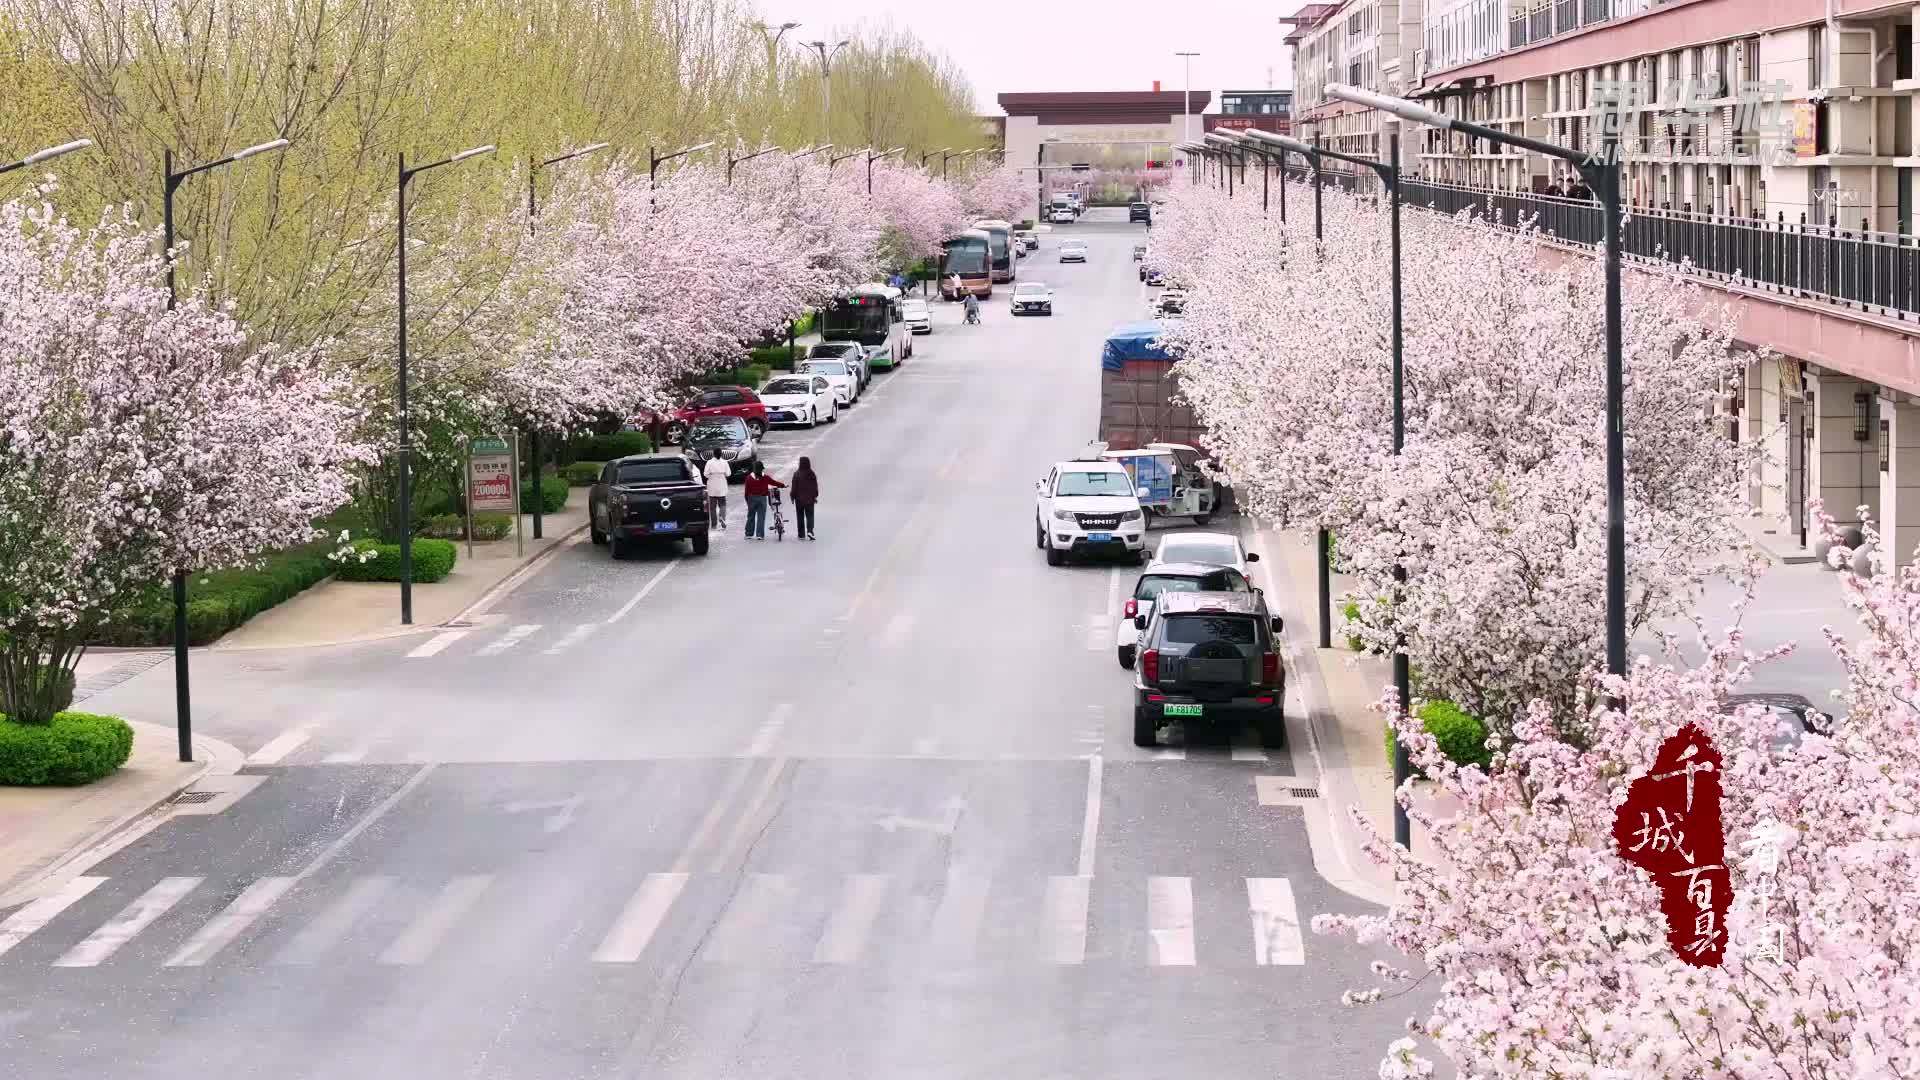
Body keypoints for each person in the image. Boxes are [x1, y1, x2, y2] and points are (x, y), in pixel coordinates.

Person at [741, 460, 785, 540]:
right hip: (762, 499)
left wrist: (747, 501)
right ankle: (760, 535)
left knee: (750, 516)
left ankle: (748, 534)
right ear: (762, 469)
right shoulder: (765, 477)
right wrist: (783, 485)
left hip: (751, 498)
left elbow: (746, 492)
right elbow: (774, 482)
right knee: (761, 517)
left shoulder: (749, 478)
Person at [790, 456, 820, 541]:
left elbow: (794, 487)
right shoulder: (812, 474)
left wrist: (792, 496)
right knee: (810, 516)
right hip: (810, 499)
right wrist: (815, 496)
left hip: (799, 500)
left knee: (800, 516)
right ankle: (810, 531)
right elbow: (815, 486)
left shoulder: (796, 474)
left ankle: (801, 534)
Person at [702, 449, 730, 529]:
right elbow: (728, 474)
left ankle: (714, 524)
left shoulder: (709, 462)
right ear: (721, 454)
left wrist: (712, 475)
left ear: (713, 454)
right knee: (722, 504)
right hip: (722, 484)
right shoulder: (724, 462)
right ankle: (722, 517)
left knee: (712, 507)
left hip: (712, 485)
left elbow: (705, 474)